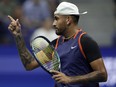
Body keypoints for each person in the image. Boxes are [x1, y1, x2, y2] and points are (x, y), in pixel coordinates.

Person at [8, 1, 107, 87]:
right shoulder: (55, 44)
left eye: (57, 19)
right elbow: (29, 65)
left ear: (68, 20)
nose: (53, 23)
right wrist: (18, 36)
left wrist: (70, 79)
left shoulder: (85, 41)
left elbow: (102, 74)